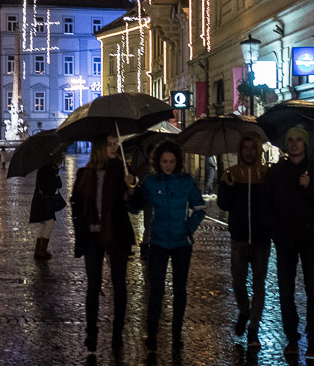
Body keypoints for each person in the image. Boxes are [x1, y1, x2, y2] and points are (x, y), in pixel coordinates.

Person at [263, 125, 314, 359]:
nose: (294, 144)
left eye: (298, 140)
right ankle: (292, 337)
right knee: (285, 290)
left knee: (313, 289)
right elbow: (268, 203)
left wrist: (310, 186)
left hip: (309, 238)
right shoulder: (277, 171)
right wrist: (275, 229)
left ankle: (313, 337)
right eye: (290, 140)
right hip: (285, 239)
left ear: (305, 144)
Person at [127, 139, 205, 352]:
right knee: (156, 289)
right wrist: (131, 189)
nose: (168, 165)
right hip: (159, 242)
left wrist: (188, 228)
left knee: (180, 289)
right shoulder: (151, 183)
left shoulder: (186, 182)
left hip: (182, 244)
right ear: (158, 162)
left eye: (171, 161)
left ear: (177, 162)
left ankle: (177, 334)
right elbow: (135, 208)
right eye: (164, 161)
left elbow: (199, 208)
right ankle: (152, 334)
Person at [70, 135, 136, 352]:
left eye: (114, 143)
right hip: (91, 236)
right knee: (93, 285)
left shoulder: (121, 171)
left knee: (119, 284)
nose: (114, 147)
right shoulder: (83, 174)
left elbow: (134, 205)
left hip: (117, 235)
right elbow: (77, 207)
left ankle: (117, 333)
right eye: (109, 143)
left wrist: (131, 189)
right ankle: (91, 332)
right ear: (99, 147)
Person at [217, 133, 270, 349]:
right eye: (245, 148)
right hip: (239, 238)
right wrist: (228, 186)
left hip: (261, 239)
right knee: (238, 283)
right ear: (240, 151)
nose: (249, 151)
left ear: (258, 150)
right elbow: (223, 204)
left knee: (259, 286)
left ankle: (253, 329)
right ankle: (244, 311)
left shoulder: (266, 174)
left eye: (253, 148)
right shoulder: (231, 173)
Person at [29, 160, 65, 259]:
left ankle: (38, 250)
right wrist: (56, 175)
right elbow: (55, 185)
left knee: (44, 224)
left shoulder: (45, 169)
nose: (60, 161)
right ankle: (42, 250)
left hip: (41, 201)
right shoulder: (47, 170)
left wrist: (56, 172)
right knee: (49, 224)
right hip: (45, 202)